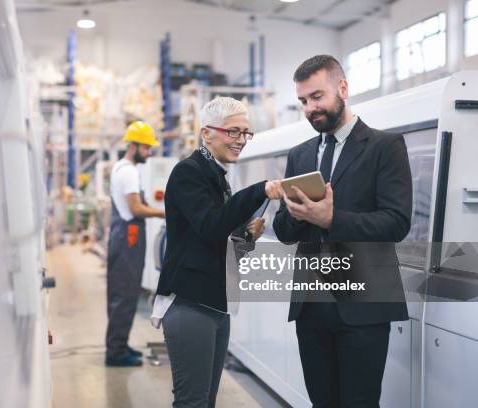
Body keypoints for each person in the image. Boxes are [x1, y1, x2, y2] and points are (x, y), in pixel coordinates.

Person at [273, 55, 412, 407]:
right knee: (322, 401)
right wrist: (295, 212)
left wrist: (331, 220)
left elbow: (396, 222)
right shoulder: (299, 155)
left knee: (360, 402)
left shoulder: (385, 147)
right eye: (303, 101)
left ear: (343, 89)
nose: (310, 108)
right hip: (311, 306)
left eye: (317, 97)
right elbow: (284, 231)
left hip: (363, 307)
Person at [152, 97, 282, 407]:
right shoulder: (189, 173)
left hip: (215, 304)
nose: (240, 141)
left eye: (245, 133)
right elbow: (211, 226)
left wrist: (246, 237)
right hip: (189, 304)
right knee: (193, 401)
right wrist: (260, 190)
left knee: (206, 400)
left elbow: (217, 241)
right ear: (206, 133)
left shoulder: (217, 177)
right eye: (233, 132)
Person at [105, 121, 165, 367]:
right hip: (128, 235)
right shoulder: (128, 172)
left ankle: (119, 344)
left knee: (123, 293)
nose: (150, 152)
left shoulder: (121, 167)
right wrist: (165, 213)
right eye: (147, 147)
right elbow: (136, 208)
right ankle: (116, 352)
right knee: (125, 294)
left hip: (125, 235)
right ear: (134, 145)